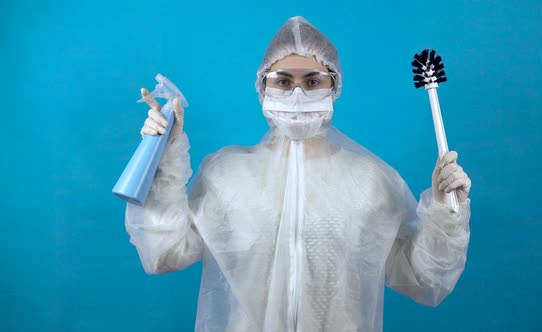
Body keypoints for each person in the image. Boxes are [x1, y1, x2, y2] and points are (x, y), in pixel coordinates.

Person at [126, 16, 472, 332]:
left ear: (333, 86)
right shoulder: (227, 176)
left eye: (312, 81)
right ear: (262, 86)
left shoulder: (370, 180)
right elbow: (163, 253)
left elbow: (423, 278)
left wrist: (445, 213)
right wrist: (163, 162)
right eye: (283, 81)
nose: (296, 94)